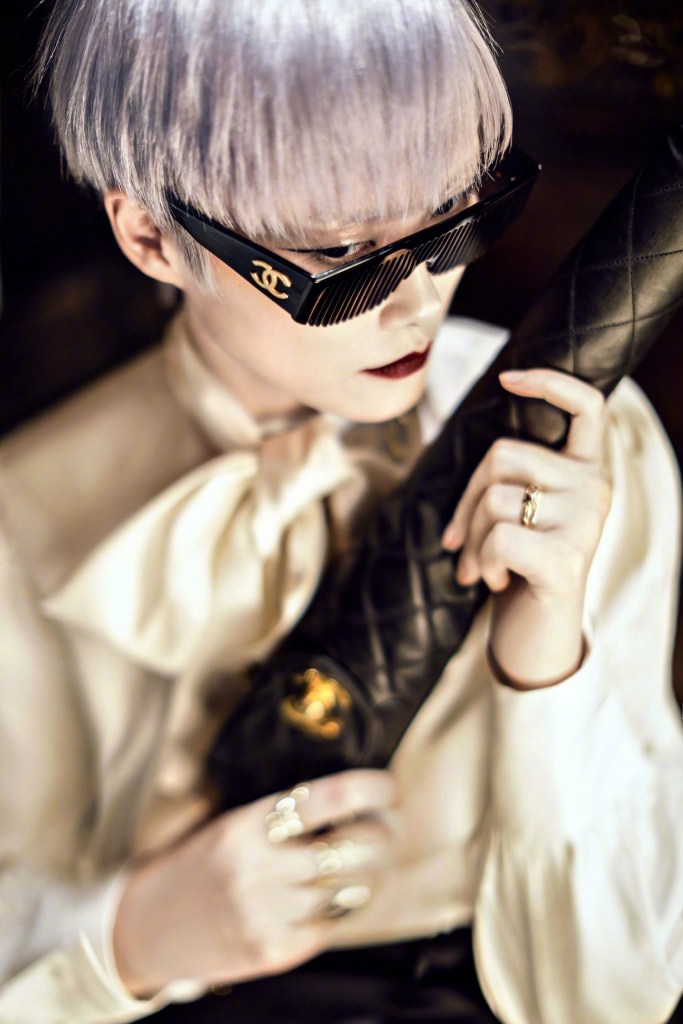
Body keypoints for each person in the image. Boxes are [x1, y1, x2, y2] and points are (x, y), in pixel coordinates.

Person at [0, 1, 681, 1021]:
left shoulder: (582, 443)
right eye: (342, 257)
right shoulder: (22, 527)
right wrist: (130, 939)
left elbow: (619, 990)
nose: (418, 301)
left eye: (453, 213)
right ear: (149, 233)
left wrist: (547, 664)